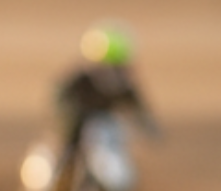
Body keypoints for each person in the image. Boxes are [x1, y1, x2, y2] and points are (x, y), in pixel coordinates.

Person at [51, 18, 160, 180]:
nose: (113, 71)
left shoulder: (123, 85)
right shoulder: (81, 80)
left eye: (118, 66)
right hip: (80, 130)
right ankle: (56, 182)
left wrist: (150, 128)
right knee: (67, 154)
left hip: (105, 133)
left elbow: (138, 108)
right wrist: (70, 118)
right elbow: (60, 98)